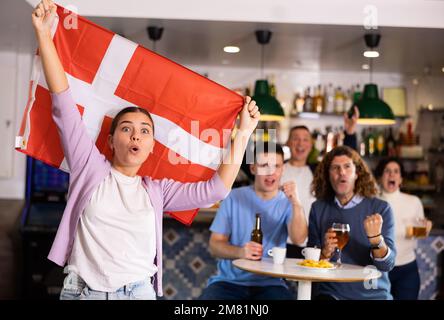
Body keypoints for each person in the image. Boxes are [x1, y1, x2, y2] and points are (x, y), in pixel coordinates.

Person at [31, 0, 260, 300]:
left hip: (139, 292)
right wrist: (44, 35)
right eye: (126, 128)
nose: (135, 136)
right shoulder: (89, 167)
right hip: (86, 293)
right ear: (112, 141)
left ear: (152, 146)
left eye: (144, 131)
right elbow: (63, 101)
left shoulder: (157, 191)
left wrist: (242, 134)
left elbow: (216, 190)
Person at [199, 143, 307, 300]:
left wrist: (296, 203)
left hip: (271, 284)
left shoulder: (288, 202)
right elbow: (215, 245)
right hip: (228, 283)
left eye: (276, 166)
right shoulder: (233, 197)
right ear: (253, 168)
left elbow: (299, 239)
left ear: (282, 169)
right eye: (264, 165)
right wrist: (240, 252)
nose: (271, 172)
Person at [308, 146, 396, 300]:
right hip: (331, 294)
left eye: (347, 166)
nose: (341, 172)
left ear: (357, 173)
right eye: (335, 168)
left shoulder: (380, 209)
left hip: (373, 295)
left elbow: (386, 265)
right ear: (327, 175)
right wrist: (324, 253)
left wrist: (376, 240)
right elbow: (311, 264)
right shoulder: (318, 208)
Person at [282, 109, 359, 257]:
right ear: (288, 143)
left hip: (311, 244)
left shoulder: (318, 170)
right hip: (279, 242)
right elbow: (253, 162)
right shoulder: (277, 168)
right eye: (295, 139)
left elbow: (348, 160)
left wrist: (349, 133)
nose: (300, 143)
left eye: (305, 139)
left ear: (311, 145)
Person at [375, 158, 433, 300]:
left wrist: (425, 229)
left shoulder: (413, 202)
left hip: (407, 269)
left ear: (401, 178)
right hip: (379, 269)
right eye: (387, 171)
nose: (391, 175)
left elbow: (418, 233)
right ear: (380, 177)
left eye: (396, 172)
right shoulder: (372, 202)